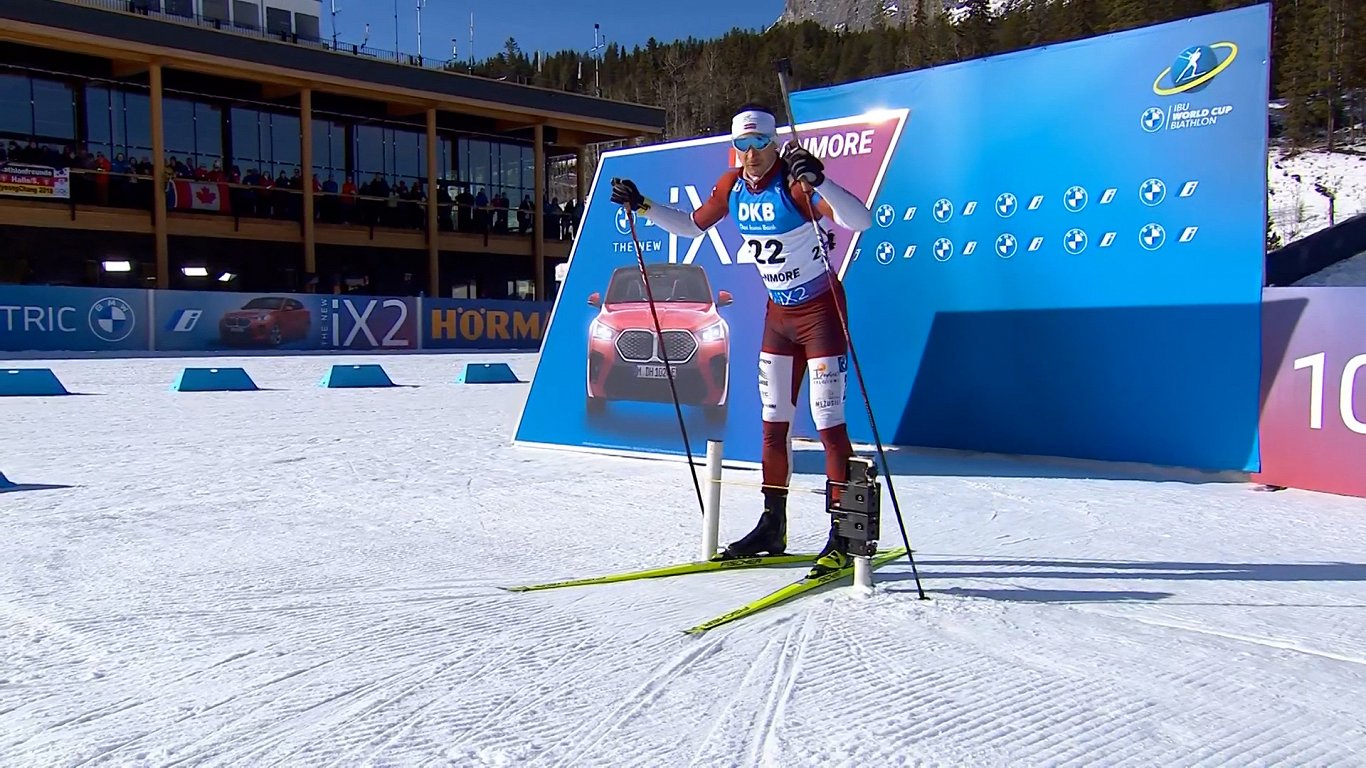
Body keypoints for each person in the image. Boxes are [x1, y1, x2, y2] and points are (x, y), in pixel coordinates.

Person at [609, 103, 873, 577]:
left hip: (821, 312)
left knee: (828, 422)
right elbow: (692, 224)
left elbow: (861, 220)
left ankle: (843, 534)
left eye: (759, 144)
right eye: (742, 145)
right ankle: (773, 525)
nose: (750, 154)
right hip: (779, 316)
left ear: (773, 144)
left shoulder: (794, 184)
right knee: (773, 423)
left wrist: (821, 179)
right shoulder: (732, 187)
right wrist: (642, 206)